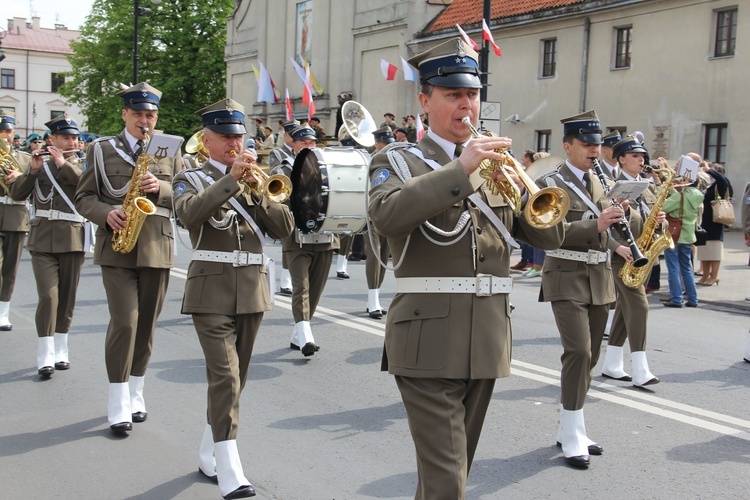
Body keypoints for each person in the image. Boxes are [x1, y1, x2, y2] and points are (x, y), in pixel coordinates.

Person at [368, 38, 564, 497]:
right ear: (425, 100)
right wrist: (461, 172)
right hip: (426, 340)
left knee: (450, 475)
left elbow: (547, 237)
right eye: (452, 95)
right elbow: (386, 216)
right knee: (446, 483)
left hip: (486, 338)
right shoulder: (396, 160)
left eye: (471, 94)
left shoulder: (496, 164)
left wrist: (533, 186)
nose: (465, 104)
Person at [173, 98, 294, 499]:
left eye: (239, 135)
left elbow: (284, 230)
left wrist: (258, 191)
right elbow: (189, 215)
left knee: (236, 379)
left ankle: (210, 450)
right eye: (225, 136)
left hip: (252, 289)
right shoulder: (190, 176)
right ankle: (230, 467)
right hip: (210, 287)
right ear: (206, 142)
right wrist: (230, 182)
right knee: (224, 375)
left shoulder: (261, 177)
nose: (234, 142)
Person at [75, 82, 180, 435]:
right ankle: (117, 397)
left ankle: (137, 390)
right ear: (125, 114)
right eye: (138, 114)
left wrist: (161, 189)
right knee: (125, 322)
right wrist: (105, 213)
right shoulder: (101, 149)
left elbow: (183, 195)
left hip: (156, 246)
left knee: (147, 325)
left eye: (150, 114)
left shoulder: (169, 147)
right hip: (117, 246)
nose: (144, 120)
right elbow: (84, 196)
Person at [536, 109, 630, 469]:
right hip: (565, 274)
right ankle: (573, 432)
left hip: (598, 278)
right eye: (587, 144)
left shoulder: (602, 181)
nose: (594, 150)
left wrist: (626, 211)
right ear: (568, 145)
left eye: (597, 144)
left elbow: (614, 229)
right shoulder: (550, 183)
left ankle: (570, 425)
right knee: (577, 352)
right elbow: (547, 235)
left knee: (589, 357)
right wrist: (597, 222)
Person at [9, 114, 87, 379]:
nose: (71, 141)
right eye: (65, 137)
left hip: (72, 238)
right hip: (42, 238)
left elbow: (84, 186)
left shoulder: (83, 164)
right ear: (52, 139)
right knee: (48, 296)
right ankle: (45, 351)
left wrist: (63, 162)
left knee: (66, 298)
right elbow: (17, 194)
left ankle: (61, 347)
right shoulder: (38, 164)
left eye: (74, 138)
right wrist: (32, 170)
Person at [600, 136, 665, 387]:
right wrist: (616, 248)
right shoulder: (610, 185)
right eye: (636, 156)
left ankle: (612, 363)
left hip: (645, 253)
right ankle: (640, 369)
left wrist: (660, 222)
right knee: (639, 306)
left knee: (625, 311)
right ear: (622, 159)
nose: (642, 160)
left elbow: (656, 220)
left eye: (643, 156)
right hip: (623, 255)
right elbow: (600, 225)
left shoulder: (648, 186)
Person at [283, 124, 339, 356]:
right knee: (301, 287)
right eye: (304, 143)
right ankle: (306, 337)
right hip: (298, 239)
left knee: (315, 290)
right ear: (294, 145)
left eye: (312, 143)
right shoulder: (285, 169)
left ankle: (299, 334)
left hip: (325, 238)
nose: (309, 146)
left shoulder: (328, 169)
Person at [0, 110, 31, 331]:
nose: (5, 136)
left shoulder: (25, 159)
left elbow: (34, 188)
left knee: (10, 268)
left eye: (8, 131)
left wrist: (21, 177)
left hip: (16, 217)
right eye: (1, 131)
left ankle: (3, 311)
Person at [660, 155, 703, 308]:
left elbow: (662, 207)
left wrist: (669, 191)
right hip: (688, 234)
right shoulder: (697, 194)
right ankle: (692, 299)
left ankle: (676, 299)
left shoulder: (679, 196)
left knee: (673, 268)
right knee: (687, 268)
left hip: (674, 234)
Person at [364, 127, 394, 319]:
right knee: (375, 255)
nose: (390, 146)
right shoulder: (368, 161)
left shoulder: (395, 159)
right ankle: (372, 298)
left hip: (388, 212)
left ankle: (373, 298)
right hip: (370, 211)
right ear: (377, 144)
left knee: (384, 255)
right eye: (386, 143)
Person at [269, 119, 300, 295]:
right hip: (286, 196)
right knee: (289, 238)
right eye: (293, 135)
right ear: (287, 135)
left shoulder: (302, 152)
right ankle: (285, 279)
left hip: (302, 196)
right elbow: (276, 172)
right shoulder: (278, 152)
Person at [696, 163, 733, 286]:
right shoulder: (707, 185)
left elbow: (722, 179)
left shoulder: (721, 184)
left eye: (714, 171)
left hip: (715, 221)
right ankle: (705, 275)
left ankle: (714, 276)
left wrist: (709, 169)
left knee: (714, 252)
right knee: (705, 251)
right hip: (704, 221)